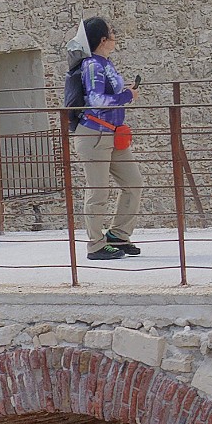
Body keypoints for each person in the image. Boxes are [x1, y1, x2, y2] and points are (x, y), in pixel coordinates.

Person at [69, 17, 144, 261]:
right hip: (94, 134)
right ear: (103, 40)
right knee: (98, 191)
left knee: (133, 183)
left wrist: (124, 91)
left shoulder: (105, 63)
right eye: (112, 33)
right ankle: (95, 245)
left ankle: (118, 235)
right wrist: (127, 96)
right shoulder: (93, 66)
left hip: (111, 133)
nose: (115, 37)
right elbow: (96, 101)